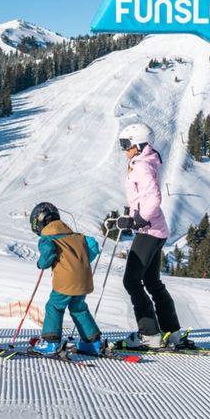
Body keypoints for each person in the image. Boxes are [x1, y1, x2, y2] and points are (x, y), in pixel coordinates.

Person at [109, 123, 191, 350]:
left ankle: (150, 335)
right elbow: (143, 197)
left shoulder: (142, 165)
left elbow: (154, 198)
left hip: (149, 230)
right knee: (153, 282)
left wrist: (139, 220)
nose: (123, 150)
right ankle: (171, 333)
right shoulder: (145, 162)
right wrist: (130, 217)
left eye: (125, 144)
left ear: (137, 144)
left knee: (131, 281)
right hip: (156, 230)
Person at [29, 202, 105, 355]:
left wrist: (41, 263)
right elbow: (93, 245)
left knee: (55, 306)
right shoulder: (77, 236)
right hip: (83, 280)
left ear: (39, 223)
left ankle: (51, 343)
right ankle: (93, 342)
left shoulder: (48, 238)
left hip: (65, 283)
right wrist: (79, 262)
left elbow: (48, 255)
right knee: (78, 307)